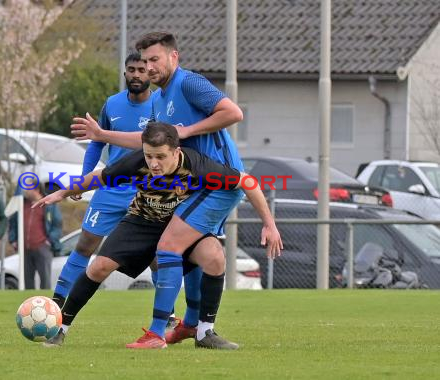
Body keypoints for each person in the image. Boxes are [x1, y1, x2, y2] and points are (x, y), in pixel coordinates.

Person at [71, 32, 249, 348]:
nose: (150, 67)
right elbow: (148, 141)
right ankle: (195, 327)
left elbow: (233, 113)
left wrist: (187, 131)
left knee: (171, 246)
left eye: (155, 60)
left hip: (216, 185)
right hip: (193, 186)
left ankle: (161, 332)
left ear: (173, 57)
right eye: (145, 61)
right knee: (200, 255)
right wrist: (102, 134)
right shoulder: (159, 98)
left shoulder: (189, 83)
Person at [36, 122, 282, 349]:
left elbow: (247, 182)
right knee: (99, 266)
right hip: (141, 222)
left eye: (161, 157)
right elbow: (100, 177)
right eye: (149, 156)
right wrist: (63, 193)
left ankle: (205, 333)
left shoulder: (197, 165)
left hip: (180, 227)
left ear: (176, 152)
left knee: (215, 257)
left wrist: (269, 224)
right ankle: (61, 328)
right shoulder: (137, 162)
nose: (153, 163)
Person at [50, 52, 155, 307]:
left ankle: (169, 315)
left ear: (149, 74)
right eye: (132, 69)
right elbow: (97, 142)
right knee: (85, 244)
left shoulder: (159, 106)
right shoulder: (112, 104)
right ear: (125, 73)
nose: (136, 74)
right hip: (110, 187)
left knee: (156, 254)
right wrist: (84, 178)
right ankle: (56, 303)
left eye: (142, 70)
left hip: (146, 191)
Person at [8, 182, 63, 289]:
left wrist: (48, 241)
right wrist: (13, 239)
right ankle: (29, 303)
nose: (25, 191)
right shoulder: (22, 204)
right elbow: (13, 223)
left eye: (28, 188)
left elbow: (57, 225)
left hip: (43, 248)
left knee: (45, 279)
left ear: (37, 190)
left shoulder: (49, 204)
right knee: (27, 280)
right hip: (25, 249)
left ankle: (45, 303)